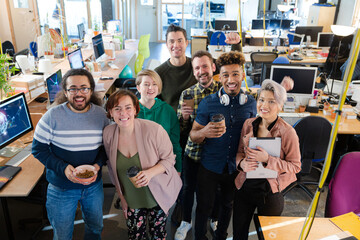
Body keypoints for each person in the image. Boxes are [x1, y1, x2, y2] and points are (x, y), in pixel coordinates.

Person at [32, 68, 110, 240]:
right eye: (73, 89)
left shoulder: (102, 116)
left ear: (91, 89)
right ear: (65, 92)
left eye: (84, 88)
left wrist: (97, 166)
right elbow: (38, 149)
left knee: (96, 228)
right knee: (62, 235)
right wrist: (64, 168)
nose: (79, 93)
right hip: (61, 188)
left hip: (92, 187)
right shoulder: (52, 116)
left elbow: (107, 147)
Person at [190, 51, 257, 240]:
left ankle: (221, 236)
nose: (230, 79)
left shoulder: (251, 103)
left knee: (227, 206)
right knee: (204, 207)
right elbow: (194, 135)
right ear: (220, 77)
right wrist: (204, 132)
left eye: (235, 73)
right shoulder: (208, 103)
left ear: (243, 75)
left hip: (234, 167)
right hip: (210, 166)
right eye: (226, 75)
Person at [103, 90, 182, 239]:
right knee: (135, 236)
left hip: (157, 195)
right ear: (110, 112)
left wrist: (149, 173)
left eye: (128, 107)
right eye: (117, 109)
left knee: (157, 235)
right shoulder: (108, 134)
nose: (123, 113)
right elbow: (113, 171)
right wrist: (122, 198)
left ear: (135, 109)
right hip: (131, 198)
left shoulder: (154, 130)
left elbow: (169, 159)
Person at [232, 80, 301, 240]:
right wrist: (242, 163)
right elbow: (239, 153)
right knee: (238, 234)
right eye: (261, 100)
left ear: (280, 106)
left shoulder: (287, 132)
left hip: (270, 191)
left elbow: (296, 166)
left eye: (271, 101)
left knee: (268, 236)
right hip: (245, 187)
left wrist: (267, 159)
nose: (264, 105)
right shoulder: (248, 124)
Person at [175, 50, 222, 240]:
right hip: (194, 152)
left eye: (204, 66)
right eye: (197, 68)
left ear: (213, 67)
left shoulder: (223, 91)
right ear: (193, 72)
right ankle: (186, 221)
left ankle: (215, 218)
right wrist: (184, 117)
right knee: (188, 188)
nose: (201, 71)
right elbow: (181, 129)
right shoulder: (187, 94)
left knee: (216, 189)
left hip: (216, 152)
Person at [155, 24, 242, 111]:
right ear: (166, 44)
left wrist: (236, 44)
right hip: (174, 122)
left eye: (180, 40)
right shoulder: (159, 73)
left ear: (186, 43)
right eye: (171, 41)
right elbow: (153, 104)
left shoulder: (199, 64)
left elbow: (231, 65)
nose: (176, 45)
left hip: (201, 117)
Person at [136, 69, 182, 172]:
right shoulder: (131, 110)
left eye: (154, 84)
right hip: (138, 165)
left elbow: (174, 143)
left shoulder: (168, 111)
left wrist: (178, 169)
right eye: (146, 84)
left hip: (164, 165)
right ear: (138, 87)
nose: (151, 88)